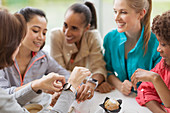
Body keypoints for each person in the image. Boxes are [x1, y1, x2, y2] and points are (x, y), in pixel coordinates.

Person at [0, 10, 91, 113]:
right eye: (35, 30)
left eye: (44, 33)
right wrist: (70, 87)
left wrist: (37, 85)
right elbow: (6, 97)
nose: (41, 37)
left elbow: (64, 74)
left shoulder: (43, 58)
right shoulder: (5, 63)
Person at [50, 1, 112, 95]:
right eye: (65, 25)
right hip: (63, 88)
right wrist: (88, 82)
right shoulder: (56, 36)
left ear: (87, 28)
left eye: (74, 28)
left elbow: (99, 68)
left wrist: (92, 83)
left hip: (77, 87)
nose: (67, 32)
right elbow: (58, 72)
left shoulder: (92, 36)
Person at [103, 0, 161, 95]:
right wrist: (120, 85)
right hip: (123, 99)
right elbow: (107, 70)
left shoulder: (157, 44)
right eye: (115, 11)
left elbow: (161, 82)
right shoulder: (110, 39)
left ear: (141, 14)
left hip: (149, 102)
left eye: (123, 12)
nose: (116, 18)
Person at [131, 10, 170, 113]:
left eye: (163, 44)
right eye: (159, 43)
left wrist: (155, 78)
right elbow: (145, 91)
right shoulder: (164, 64)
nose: (158, 49)